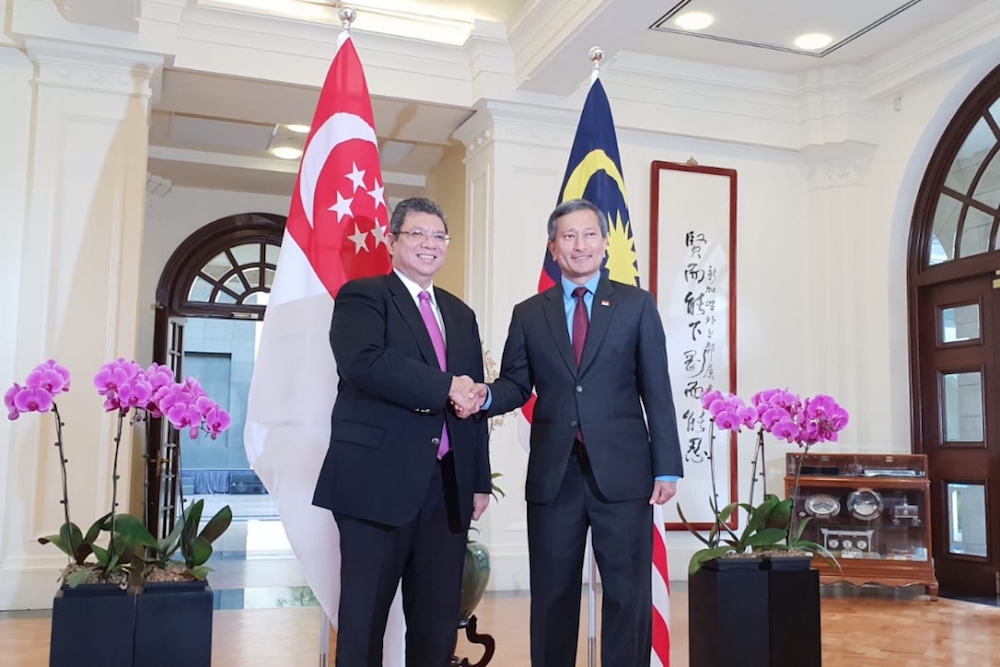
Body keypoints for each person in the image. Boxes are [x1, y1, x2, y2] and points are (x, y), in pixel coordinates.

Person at [470, 198, 683, 667]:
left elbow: (657, 389)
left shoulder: (635, 304)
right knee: (552, 595)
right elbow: (513, 383)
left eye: (589, 235)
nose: (580, 245)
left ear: (605, 244)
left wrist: (667, 465)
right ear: (553, 247)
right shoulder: (529, 312)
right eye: (568, 236)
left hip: (625, 475)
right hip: (554, 474)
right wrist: (482, 397)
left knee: (628, 594)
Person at [312, 197, 492, 667]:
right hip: (375, 483)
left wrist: (477, 478)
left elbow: (472, 402)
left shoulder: (461, 314)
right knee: (363, 621)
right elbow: (365, 364)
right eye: (417, 234)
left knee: (436, 624)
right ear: (392, 242)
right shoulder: (363, 296)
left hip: (446, 487)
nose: (429, 244)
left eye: (438, 236)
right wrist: (447, 385)